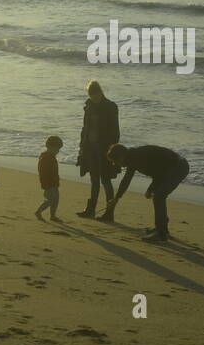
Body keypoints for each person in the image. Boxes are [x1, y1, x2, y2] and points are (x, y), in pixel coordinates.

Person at [102, 143, 189, 242]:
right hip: (173, 167)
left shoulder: (136, 158)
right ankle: (162, 229)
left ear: (121, 156)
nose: (115, 164)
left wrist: (150, 189)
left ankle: (161, 233)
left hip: (178, 167)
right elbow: (128, 179)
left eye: (115, 161)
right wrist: (117, 198)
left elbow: (158, 174)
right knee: (158, 196)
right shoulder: (132, 157)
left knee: (159, 197)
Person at [75, 80, 120, 221]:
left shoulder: (110, 107)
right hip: (90, 147)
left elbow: (115, 131)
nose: (94, 97)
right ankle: (91, 209)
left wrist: (112, 150)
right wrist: (82, 147)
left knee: (105, 180)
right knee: (94, 180)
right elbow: (84, 129)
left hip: (105, 149)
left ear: (101, 92)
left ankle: (109, 213)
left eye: (95, 94)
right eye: (91, 95)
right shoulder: (88, 106)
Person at [34, 135, 63, 222]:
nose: (58, 151)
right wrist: (45, 184)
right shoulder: (45, 158)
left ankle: (53, 215)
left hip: (54, 183)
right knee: (50, 200)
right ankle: (38, 211)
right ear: (49, 147)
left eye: (58, 149)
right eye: (56, 149)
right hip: (48, 184)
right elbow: (42, 173)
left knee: (55, 200)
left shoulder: (51, 156)